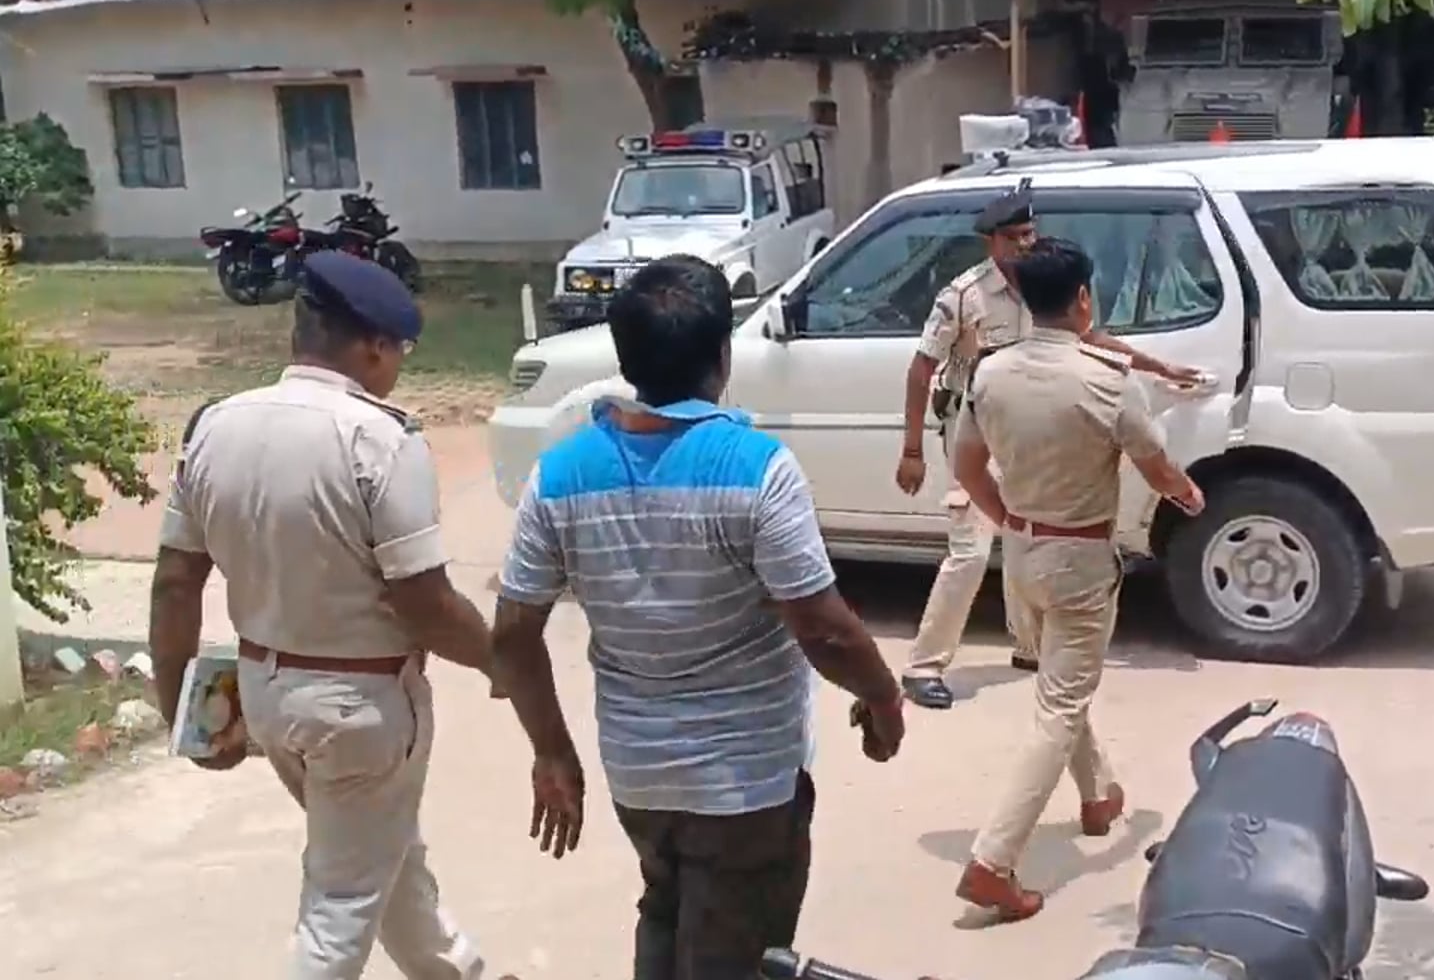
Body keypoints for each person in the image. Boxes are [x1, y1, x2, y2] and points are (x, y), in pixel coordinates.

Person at [490, 255, 906, 979]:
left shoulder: (558, 475)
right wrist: (883, 697)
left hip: (638, 778)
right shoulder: (756, 468)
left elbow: (512, 635)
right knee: (734, 953)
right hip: (744, 785)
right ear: (722, 356)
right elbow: (824, 628)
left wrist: (551, 750)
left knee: (666, 907)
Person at [148, 251, 507, 980]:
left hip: (267, 693)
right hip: (359, 707)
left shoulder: (214, 426)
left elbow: (174, 584)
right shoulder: (381, 439)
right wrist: (503, 659)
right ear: (374, 346)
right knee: (339, 906)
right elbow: (425, 603)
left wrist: (182, 710)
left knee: (379, 855)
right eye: (400, 351)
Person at [947, 237, 1206, 922]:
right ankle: (992, 861)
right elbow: (1156, 466)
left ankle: (1099, 796)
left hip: (1021, 555)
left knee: (1059, 684)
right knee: (1059, 707)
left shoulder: (991, 373)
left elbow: (966, 466)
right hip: (1080, 561)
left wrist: (1009, 518)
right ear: (1084, 298)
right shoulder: (1107, 379)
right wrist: (1187, 496)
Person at [894, 181, 1204, 710]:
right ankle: (924, 666)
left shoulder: (1046, 280)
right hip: (978, 423)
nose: (1024, 243)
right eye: (1013, 236)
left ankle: (1030, 647)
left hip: (1032, 427)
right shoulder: (964, 296)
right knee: (971, 551)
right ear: (991, 242)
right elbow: (922, 368)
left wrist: (1160, 368)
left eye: (1029, 233)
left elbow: (1088, 338)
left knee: (1028, 531)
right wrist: (912, 450)